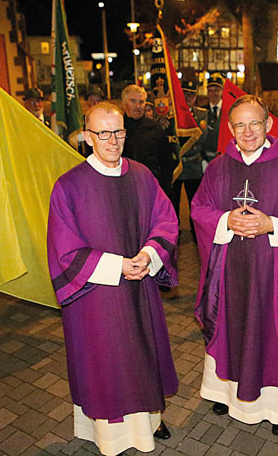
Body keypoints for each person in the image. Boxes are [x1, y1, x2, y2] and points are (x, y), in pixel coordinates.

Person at [47, 102, 179, 455]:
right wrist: (116, 265)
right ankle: (110, 436)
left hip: (140, 288)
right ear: (88, 137)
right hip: (96, 297)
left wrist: (149, 254)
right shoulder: (68, 186)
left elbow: (165, 220)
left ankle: (151, 422)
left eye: (118, 131)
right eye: (103, 133)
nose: (112, 140)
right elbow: (64, 250)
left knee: (142, 353)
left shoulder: (141, 175)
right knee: (107, 362)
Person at [191, 95, 278, 437]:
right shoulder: (219, 168)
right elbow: (198, 209)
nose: (248, 131)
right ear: (231, 130)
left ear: (268, 125)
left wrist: (273, 226)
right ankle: (225, 392)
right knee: (228, 326)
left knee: (274, 334)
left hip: (275, 278)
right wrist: (225, 220)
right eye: (240, 125)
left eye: (255, 123)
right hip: (230, 274)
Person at [121, 84, 175, 198]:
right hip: (123, 189)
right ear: (123, 103)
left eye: (141, 102)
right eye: (133, 101)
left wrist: (164, 189)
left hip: (150, 189)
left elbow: (167, 162)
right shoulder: (115, 127)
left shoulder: (155, 128)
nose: (138, 106)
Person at [170, 79, 207, 240]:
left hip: (194, 164)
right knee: (174, 201)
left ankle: (195, 230)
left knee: (195, 202)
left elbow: (205, 139)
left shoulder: (201, 114)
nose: (189, 97)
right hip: (177, 165)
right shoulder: (174, 115)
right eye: (185, 94)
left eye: (192, 94)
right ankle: (173, 231)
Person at [203, 73, 224, 163]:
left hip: (225, 158)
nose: (213, 94)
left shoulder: (230, 111)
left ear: (222, 91)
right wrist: (203, 159)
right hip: (207, 158)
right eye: (210, 91)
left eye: (216, 90)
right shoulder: (202, 111)